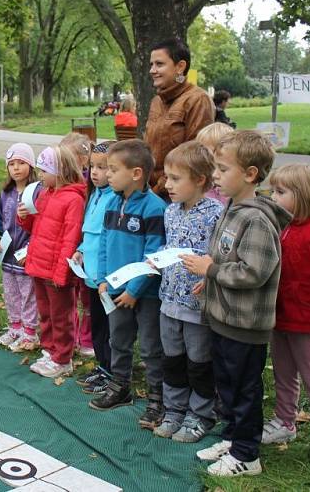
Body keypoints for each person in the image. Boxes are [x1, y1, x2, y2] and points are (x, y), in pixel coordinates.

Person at [184, 131, 291, 477]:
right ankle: (232, 440)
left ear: (250, 174)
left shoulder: (257, 219)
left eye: (222, 168)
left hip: (245, 326)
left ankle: (247, 455)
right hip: (223, 319)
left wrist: (212, 269)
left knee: (244, 392)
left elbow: (254, 273)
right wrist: (210, 278)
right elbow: (227, 257)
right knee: (227, 386)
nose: (215, 175)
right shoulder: (233, 208)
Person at [90, 140, 167, 433]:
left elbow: (153, 256)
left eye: (112, 169)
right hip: (114, 290)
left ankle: (157, 399)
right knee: (117, 340)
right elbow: (106, 245)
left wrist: (133, 291)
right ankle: (120, 386)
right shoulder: (112, 202)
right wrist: (102, 279)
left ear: (136, 173)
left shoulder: (154, 209)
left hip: (144, 295)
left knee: (150, 347)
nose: (107, 175)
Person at [261, 164, 310, 469]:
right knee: (283, 373)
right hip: (280, 320)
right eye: (273, 190)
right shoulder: (278, 228)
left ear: (301, 195)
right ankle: (284, 422)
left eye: (280, 192)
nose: (273, 197)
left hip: (309, 325)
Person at [151, 142, 223, 443]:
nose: (167, 184)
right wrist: (156, 259)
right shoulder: (170, 212)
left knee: (199, 362)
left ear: (200, 180)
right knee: (173, 359)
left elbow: (221, 256)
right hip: (169, 301)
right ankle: (175, 409)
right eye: (167, 177)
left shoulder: (217, 214)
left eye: (175, 178)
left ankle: (200, 414)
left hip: (196, 306)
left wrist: (210, 275)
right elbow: (172, 246)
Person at [18, 147, 86, 378]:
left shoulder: (74, 199)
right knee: (45, 313)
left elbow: (71, 237)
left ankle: (63, 357)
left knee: (61, 316)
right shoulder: (46, 193)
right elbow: (36, 228)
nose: (40, 176)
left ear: (60, 171)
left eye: (44, 170)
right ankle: (50, 350)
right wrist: (24, 217)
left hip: (56, 271)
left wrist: (62, 273)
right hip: (40, 266)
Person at [144, 38, 215, 199]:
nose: (152, 70)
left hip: (176, 196)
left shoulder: (197, 99)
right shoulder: (156, 101)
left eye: (159, 64)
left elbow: (194, 155)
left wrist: (157, 190)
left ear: (180, 66)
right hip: (149, 192)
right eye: (151, 64)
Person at [72, 142, 115, 396]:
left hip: (105, 278)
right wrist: (79, 249)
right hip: (90, 276)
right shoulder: (95, 196)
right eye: (92, 167)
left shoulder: (113, 199)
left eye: (103, 167)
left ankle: (111, 369)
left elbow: (109, 239)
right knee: (98, 324)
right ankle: (102, 365)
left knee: (110, 328)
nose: (95, 173)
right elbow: (90, 233)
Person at [0, 143, 41, 352]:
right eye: (11, 164)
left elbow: (40, 225)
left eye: (21, 163)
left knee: (28, 294)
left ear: (30, 165)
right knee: (11, 293)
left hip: (27, 255)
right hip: (7, 255)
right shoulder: (6, 193)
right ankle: (15, 327)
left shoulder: (37, 192)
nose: (16, 168)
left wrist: (32, 248)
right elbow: (0, 219)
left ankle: (30, 332)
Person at [60, 133, 94, 356]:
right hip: (68, 245)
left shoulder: (92, 183)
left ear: (82, 159)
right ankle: (71, 337)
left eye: (67, 158)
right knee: (70, 294)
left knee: (88, 295)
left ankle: (88, 338)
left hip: (87, 246)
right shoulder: (62, 183)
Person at [195, 122, 234, 204]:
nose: (201, 155)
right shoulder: (199, 180)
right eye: (199, 149)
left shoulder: (230, 183)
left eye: (206, 151)